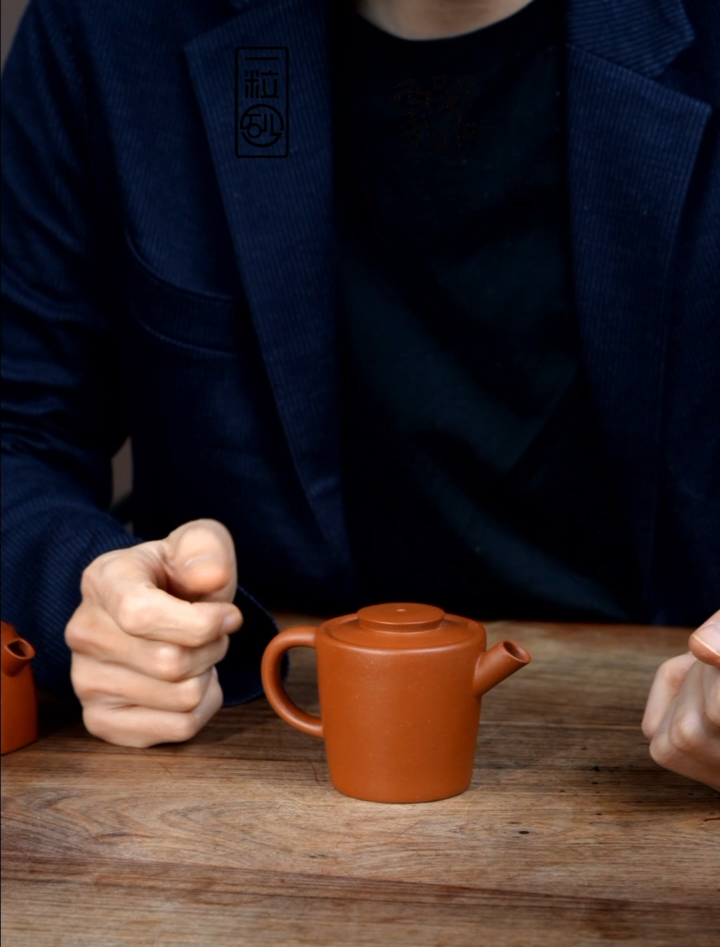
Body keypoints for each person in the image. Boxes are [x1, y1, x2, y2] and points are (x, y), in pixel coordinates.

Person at [2, 0, 718, 786]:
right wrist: (95, 589)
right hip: (239, 742)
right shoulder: (108, 26)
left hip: (666, 741)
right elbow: (16, 432)